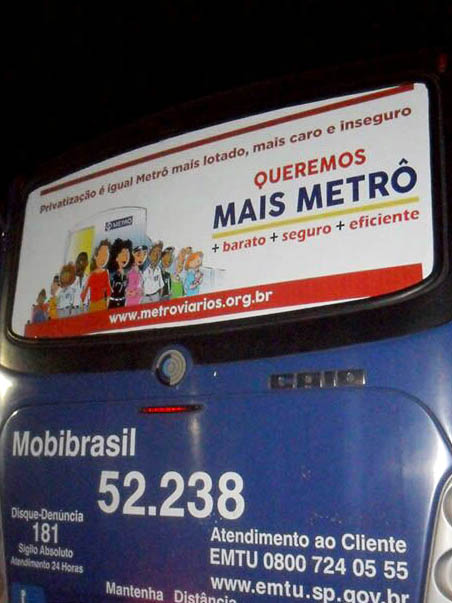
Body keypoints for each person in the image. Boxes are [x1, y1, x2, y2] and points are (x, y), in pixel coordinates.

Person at [81, 240, 112, 312]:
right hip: (92, 306)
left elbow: (108, 290)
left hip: (102, 305)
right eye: (102, 254)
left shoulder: (106, 273)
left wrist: (107, 302)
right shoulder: (91, 275)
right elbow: (84, 292)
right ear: (95, 256)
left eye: (106, 255)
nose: (104, 258)